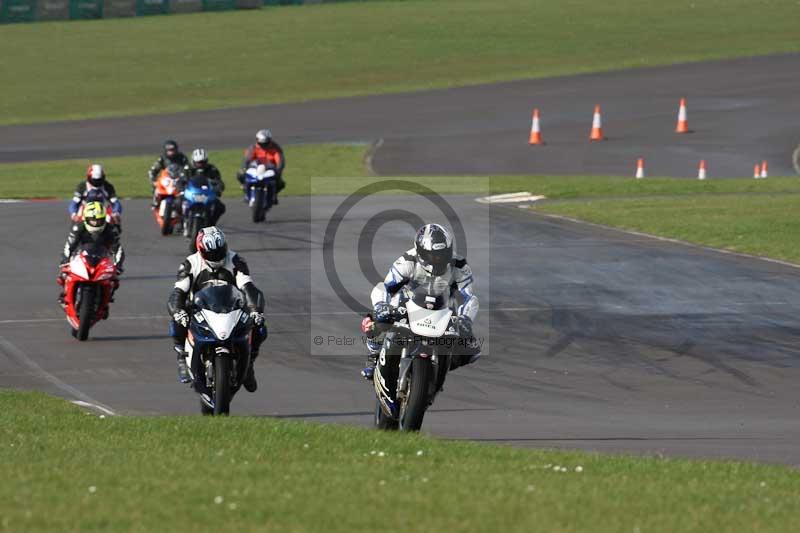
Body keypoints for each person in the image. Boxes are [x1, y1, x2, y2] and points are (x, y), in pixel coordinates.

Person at [360, 223, 481, 380]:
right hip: (408, 306)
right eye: (433, 255)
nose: (437, 259)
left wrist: (465, 319)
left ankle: (440, 366)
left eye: (442, 254)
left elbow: (470, 297)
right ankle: (374, 358)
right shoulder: (407, 261)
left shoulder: (459, 265)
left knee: (471, 350)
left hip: (443, 310)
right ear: (420, 251)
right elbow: (383, 287)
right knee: (376, 321)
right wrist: (381, 306)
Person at [166, 226, 267, 391]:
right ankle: (182, 359)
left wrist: (256, 310)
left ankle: (249, 364)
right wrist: (178, 311)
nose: (216, 257)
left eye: (220, 251)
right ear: (201, 250)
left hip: (232, 308)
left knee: (260, 327)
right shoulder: (190, 264)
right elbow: (178, 293)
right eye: (211, 254)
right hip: (199, 311)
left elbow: (248, 288)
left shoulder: (236, 261)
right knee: (177, 321)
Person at [58, 201, 125, 302]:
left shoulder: (110, 230)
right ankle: (65, 295)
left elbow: (118, 249)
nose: (96, 223)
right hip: (80, 256)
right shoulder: (78, 227)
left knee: (114, 281)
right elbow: (69, 246)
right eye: (93, 221)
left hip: (101, 258)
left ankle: (107, 298)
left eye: (99, 220)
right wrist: (65, 260)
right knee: (64, 275)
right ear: (86, 219)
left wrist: (118, 266)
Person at [237, 129, 286, 201]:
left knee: (281, 183)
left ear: (269, 141)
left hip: (270, 169)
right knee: (240, 174)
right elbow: (247, 159)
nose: (263, 146)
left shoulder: (276, 149)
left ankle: (273, 195)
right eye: (261, 143)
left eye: (265, 143)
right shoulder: (253, 148)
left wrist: (278, 170)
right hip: (255, 168)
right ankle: (245, 190)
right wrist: (244, 168)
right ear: (257, 141)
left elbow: (280, 161)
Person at [181, 148, 226, 226]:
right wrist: (181, 188)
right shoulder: (187, 169)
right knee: (178, 203)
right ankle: (181, 222)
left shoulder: (212, 169)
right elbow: (181, 180)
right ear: (193, 161)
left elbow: (219, 182)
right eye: (198, 163)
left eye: (202, 162)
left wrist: (218, 189)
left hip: (205, 194)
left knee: (220, 207)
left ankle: (211, 223)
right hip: (190, 194)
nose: (200, 165)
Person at [148, 140, 189, 206]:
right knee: (156, 186)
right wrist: (153, 181)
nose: (171, 152)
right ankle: (155, 201)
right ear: (166, 150)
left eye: (173, 150)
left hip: (179, 179)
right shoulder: (162, 159)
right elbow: (153, 171)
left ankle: (183, 206)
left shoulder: (182, 158)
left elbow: (188, 169)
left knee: (186, 190)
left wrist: (186, 177)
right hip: (167, 180)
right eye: (169, 150)